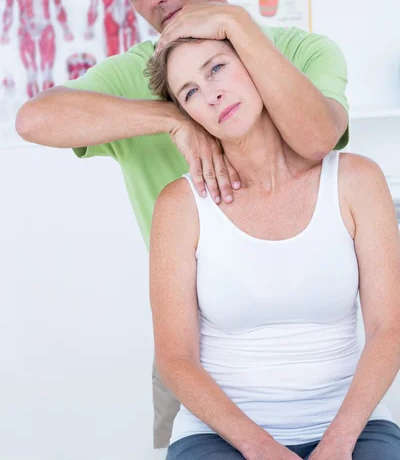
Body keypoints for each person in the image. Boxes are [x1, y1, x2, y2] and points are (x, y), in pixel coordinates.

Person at [16, 0, 349, 450]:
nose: (153, 0)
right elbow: (34, 118)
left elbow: (317, 140)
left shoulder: (301, 51)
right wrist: (172, 116)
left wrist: (236, 26)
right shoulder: (134, 76)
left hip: (306, 347)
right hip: (188, 349)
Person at [147, 36, 400, 460]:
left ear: (255, 63)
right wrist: (261, 448)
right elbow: (176, 358)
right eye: (190, 91)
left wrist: (338, 443)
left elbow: (389, 329)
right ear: (187, 115)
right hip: (218, 436)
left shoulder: (357, 180)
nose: (212, 95)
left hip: (353, 427)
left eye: (216, 69)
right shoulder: (180, 205)